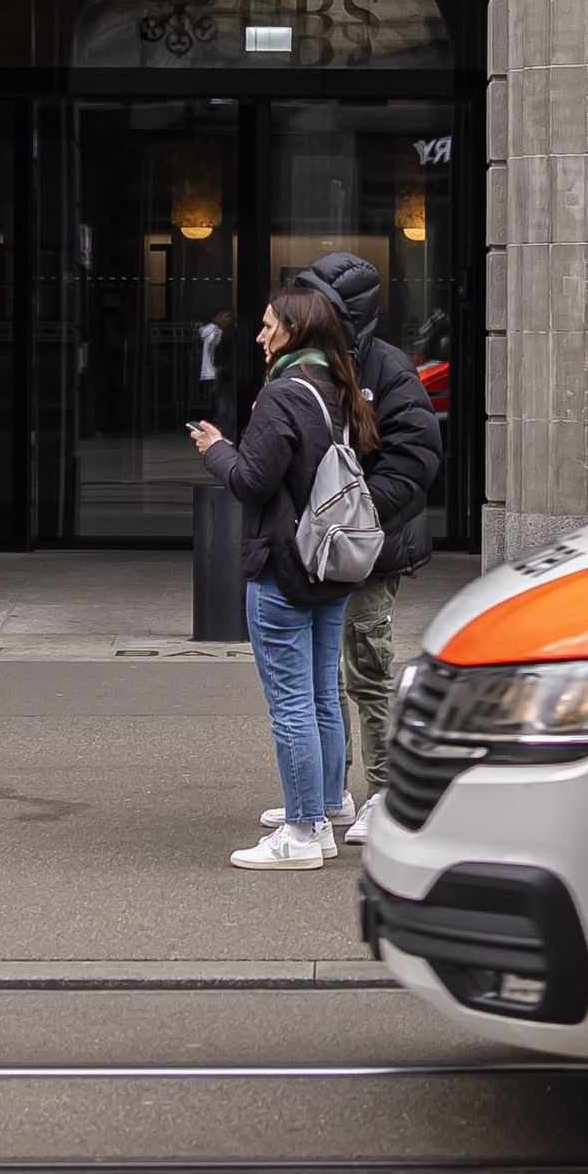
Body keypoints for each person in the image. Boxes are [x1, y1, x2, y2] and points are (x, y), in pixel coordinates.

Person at [188, 280, 377, 871]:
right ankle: (320, 810)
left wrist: (218, 449)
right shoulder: (336, 387)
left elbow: (251, 482)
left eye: (270, 326)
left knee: (292, 703)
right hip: (328, 564)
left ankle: (300, 832)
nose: (261, 336)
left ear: (296, 331)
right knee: (323, 694)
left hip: (283, 567)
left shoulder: (283, 396)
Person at [293, 250, 443, 843]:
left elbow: (416, 453)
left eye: (317, 300)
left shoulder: (385, 367)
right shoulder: (307, 364)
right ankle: (333, 795)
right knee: (320, 675)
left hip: (370, 547)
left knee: (368, 667)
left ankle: (383, 792)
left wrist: (361, 513)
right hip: (318, 547)